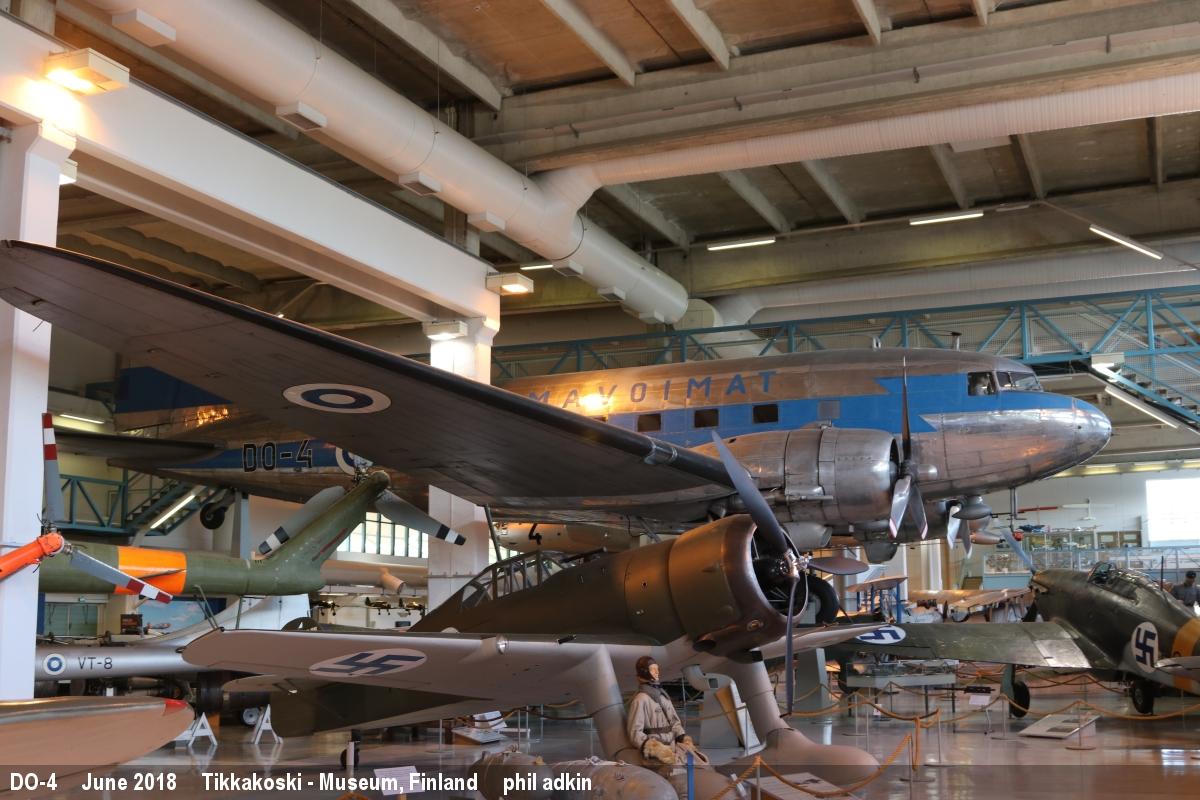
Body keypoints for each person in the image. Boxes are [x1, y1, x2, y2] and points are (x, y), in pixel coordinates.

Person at [626, 656, 708, 767]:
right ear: (645, 672)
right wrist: (657, 749)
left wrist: (683, 738)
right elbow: (635, 733)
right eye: (653, 669)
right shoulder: (640, 700)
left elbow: (674, 722)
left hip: (672, 750)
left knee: (701, 761)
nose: (657, 672)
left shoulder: (663, 696)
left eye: (657, 669)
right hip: (655, 758)